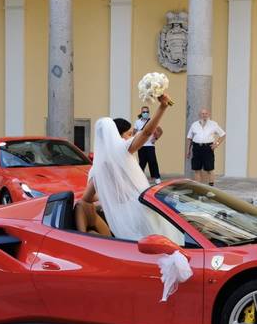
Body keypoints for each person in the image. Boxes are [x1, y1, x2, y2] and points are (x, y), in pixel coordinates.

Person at [75, 95, 182, 245]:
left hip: (120, 218)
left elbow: (86, 199)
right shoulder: (123, 149)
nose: (131, 136)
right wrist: (162, 107)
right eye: (130, 134)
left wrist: (110, 196)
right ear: (116, 134)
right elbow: (146, 133)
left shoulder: (97, 168)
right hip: (141, 212)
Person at [186, 108, 225, 186]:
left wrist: (216, 144)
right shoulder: (194, 124)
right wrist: (188, 150)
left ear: (208, 114)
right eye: (202, 114)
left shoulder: (213, 124)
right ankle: (198, 187)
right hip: (196, 148)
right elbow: (189, 138)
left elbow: (223, 134)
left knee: (210, 169)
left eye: (206, 113)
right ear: (199, 115)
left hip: (208, 148)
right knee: (197, 169)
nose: (204, 115)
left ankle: (211, 187)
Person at [134, 105, 163, 184]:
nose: (145, 113)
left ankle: (157, 178)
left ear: (149, 113)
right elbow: (134, 132)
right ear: (141, 113)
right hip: (141, 145)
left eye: (147, 112)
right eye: (144, 112)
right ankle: (139, 179)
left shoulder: (152, 121)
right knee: (142, 163)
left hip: (150, 145)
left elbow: (160, 131)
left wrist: (155, 138)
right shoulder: (137, 122)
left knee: (152, 161)